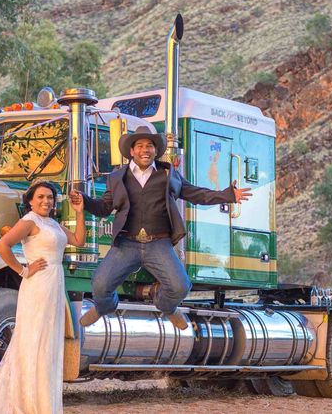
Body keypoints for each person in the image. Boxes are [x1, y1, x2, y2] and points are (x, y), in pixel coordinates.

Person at [69, 126, 251, 330]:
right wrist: (85, 201)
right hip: (127, 243)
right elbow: (104, 208)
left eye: (149, 146)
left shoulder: (168, 175)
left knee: (180, 286)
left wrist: (227, 195)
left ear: (156, 151)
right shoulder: (117, 177)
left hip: (158, 243)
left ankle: (167, 307)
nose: (145, 150)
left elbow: (195, 194)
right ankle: (104, 307)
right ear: (132, 151)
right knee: (100, 285)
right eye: (140, 146)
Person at [0, 181, 85, 414]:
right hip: (38, 286)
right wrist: (23, 270)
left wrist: (80, 212)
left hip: (54, 284)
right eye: (40, 197)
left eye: (50, 197)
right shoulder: (29, 221)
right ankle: (29, 404)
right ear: (30, 201)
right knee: (34, 342)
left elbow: (78, 241)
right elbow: (2, 246)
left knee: (49, 343)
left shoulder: (52, 223)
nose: (46, 201)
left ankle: (45, 404)